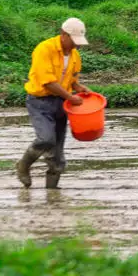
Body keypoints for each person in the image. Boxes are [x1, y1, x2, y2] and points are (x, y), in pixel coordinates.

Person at [14, 17, 92, 189]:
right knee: (46, 139)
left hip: (61, 104)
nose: (76, 46)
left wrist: (78, 87)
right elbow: (48, 82)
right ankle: (23, 165)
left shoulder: (75, 56)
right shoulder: (44, 49)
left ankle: (53, 194)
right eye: (74, 41)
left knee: (57, 155)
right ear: (63, 35)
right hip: (40, 102)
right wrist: (71, 98)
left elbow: (71, 79)